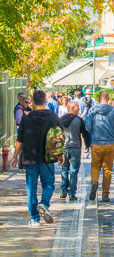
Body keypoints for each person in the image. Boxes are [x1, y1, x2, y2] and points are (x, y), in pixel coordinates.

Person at [10, 89, 63, 226]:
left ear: (32, 101)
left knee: (31, 189)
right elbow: (60, 138)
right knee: (49, 185)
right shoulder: (54, 117)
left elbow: (19, 140)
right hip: (47, 158)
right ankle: (44, 203)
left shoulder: (26, 118)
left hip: (30, 157)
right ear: (45, 100)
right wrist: (61, 154)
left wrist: (15, 157)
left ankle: (35, 219)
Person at [85, 90, 114, 202]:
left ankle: (95, 181)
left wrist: (95, 131)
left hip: (96, 143)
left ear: (98, 98)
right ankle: (105, 194)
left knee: (95, 166)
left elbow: (88, 127)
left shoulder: (92, 110)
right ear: (108, 98)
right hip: (110, 143)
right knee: (107, 170)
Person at [60, 101, 90, 200]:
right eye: (77, 107)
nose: (79, 109)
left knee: (64, 169)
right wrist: (87, 145)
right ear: (72, 108)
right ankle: (72, 193)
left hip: (64, 148)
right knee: (74, 171)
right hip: (75, 148)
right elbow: (85, 133)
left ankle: (63, 190)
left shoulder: (61, 120)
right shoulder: (79, 120)